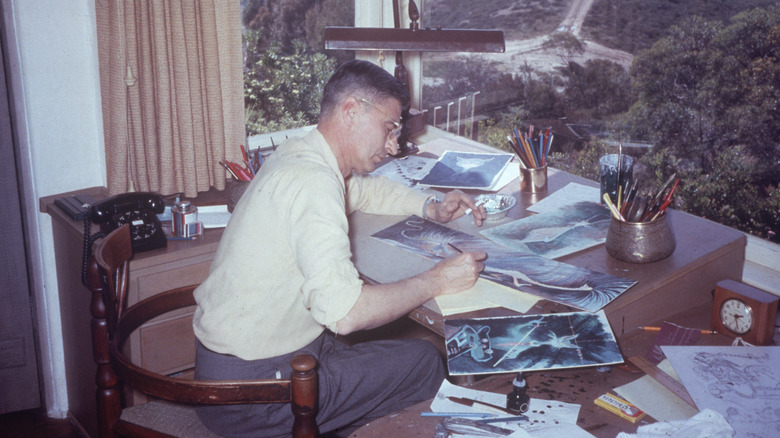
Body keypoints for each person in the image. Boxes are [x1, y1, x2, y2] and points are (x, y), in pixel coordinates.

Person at [192, 59, 487, 437]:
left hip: (234, 368)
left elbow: (362, 190)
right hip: (253, 395)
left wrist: (429, 206)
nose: (394, 145)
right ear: (350, 111)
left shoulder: (299, 153)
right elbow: (346, 313)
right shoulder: (314, 181)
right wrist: (436, 281)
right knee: (425, 362)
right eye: (389, 128)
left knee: (398, 355)